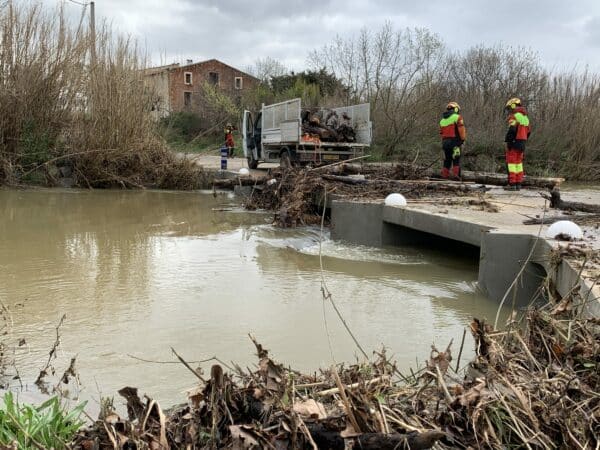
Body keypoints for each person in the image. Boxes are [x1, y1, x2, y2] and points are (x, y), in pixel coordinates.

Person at [503, 97, 531, 191]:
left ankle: (512, 184)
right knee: (519, 164)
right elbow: (528, 132)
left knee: (511, 163)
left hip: (514, 142)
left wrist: (508, 141)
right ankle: (518, 183)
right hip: (522, 143)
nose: (509, 111)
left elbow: (512, 130)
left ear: (513, 106)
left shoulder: (514, 116)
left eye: (510, 108)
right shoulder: (525, 117)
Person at [439, 102, 466, 179]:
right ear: (456, 109)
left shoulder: (442, 120)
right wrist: (462, 140)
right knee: (456, 159)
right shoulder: (458, 117)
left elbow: (441, 133)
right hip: (455, 142)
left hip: (445, 143)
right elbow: (461, 130)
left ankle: (444, 176)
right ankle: (456, 177)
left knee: (447, 160)